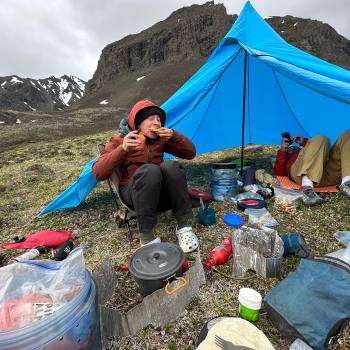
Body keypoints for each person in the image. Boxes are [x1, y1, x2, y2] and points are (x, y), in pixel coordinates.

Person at [92, 99, 199, 252]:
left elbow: (191, 153)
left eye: (159, 119)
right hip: (134, 194)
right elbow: (98, 173)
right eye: (151, 118)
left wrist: (174, 136)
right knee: (150, 170)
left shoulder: (161, 140)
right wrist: (123, 149)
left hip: (162, 195)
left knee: (170, 166)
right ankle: (147, 237)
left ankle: (184, 227)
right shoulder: (119, 141)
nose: (157, 122)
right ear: (138, 123)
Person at [273, 130, 350, 206]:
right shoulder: (288, 157)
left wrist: (303, 141)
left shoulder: (309, 150)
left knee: (347, 134)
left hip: (327, 175)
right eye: (291, 149)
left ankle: (347, 182)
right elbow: (279, 172)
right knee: (322, 138)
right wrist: (283, 150)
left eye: (295, 148)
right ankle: (306, 188)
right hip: (301, 175)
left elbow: (315, 149)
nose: (293, 148)